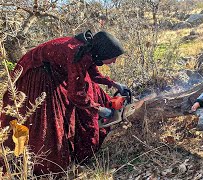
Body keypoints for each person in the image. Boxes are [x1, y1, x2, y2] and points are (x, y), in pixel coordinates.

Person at [0, 30, 128, 175]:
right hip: (38, 73)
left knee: (91, 89)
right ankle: (39, 164)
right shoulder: (78, 54)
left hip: (55, 69)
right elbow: (76, 95)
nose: (114, 61)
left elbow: (92, 72)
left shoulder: (88, 50)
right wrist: (98, 109)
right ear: (103, 53)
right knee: (49, 121)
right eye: (113, 58)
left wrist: (114, 84)